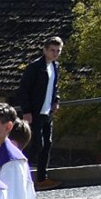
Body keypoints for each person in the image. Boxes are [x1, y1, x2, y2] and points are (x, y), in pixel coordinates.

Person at [14, 35, 63, 182]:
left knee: (46, 145)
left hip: (47, 112)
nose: (55, 53)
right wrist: (27, 111)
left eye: (58, 51)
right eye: (52, 50)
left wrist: (56, 100)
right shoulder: (34, 67)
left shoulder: (55, 66)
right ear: (45, 50)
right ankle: (22, 177)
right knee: (35, 145)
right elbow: (23, 90)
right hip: (34, 112)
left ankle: (42, 177)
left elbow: (54, 87)